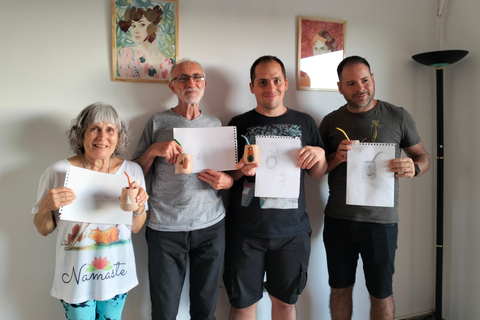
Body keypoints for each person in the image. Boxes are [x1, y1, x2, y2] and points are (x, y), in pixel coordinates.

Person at [319, 56, 430, 320]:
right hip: (338, 221)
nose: (360, 88)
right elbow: (318, 169)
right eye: (351, 83)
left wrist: (413, 168)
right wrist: (337, 156)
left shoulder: (398, 116)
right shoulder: (330, 121)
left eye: (365, 80)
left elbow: (423, 157)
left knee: (381, 292)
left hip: (382, 223)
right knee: (339, 289)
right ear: (340, 87)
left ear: (373, 79)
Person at [223, 55, 327, 320]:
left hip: (292, 232)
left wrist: (320, 155)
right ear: (252, 87)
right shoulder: (238, 123)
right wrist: (240, 169)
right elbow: (227, 176)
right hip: (245, 232)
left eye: (276, 80)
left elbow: (318, 173)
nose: (271, 87)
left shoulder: (306, 122)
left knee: (285, 304)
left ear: (286, 83)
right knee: (243, 305)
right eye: (262, 81)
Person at [133, 59, 233, 320]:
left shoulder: (216, 125)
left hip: (210, 226)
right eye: (183, 78)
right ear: (172, 86)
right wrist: (153, 150)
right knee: (164, 312)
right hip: (165, 228)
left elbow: (229, 175)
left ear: (204, 84)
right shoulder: (157, 122)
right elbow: (132, 174)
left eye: (197, 77)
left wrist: (228, 181)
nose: (191, 83)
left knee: (205, 310)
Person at [32, 102, 149, 320]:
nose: (102, 136)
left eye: (110, 129)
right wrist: (47, 205)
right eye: (94, 128)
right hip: (75, 278)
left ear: (118, 136)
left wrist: (140, 206)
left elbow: (136, 226)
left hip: (117, 275)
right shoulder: (58, 171)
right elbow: (43, 229)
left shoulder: (132, 171)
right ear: (81, 134)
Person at [117, 5, 174, 80]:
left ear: (157, 29)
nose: (136, 31)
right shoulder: (126, 54)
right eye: (133, 26)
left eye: (142, 25)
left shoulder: (170, 64)